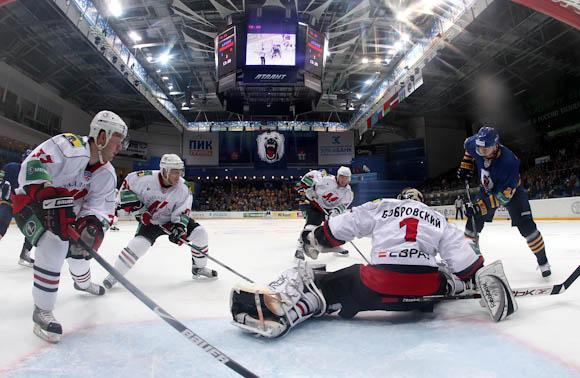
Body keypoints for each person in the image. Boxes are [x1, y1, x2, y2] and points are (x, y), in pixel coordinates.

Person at [230, 188, 518, 338]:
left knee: (319, 282)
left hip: (377, 286)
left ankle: (291, 310)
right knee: (444, 273)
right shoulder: (438, 217)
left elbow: (342, 227)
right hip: (424, 292)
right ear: (422, 201)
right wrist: (475, 277)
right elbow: (466, 262)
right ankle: (455, 288)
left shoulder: (385, 205)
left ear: (401, 198)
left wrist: (316, 237)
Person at [11, 110, 128, 343]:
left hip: (65, 213)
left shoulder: (107, 174)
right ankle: (42, 310)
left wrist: (91, 226)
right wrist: (45, 193)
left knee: (79, 249)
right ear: (102, 136)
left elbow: (99, 208)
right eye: (117, 142)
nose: (119, 148)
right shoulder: (68, 146)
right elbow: (33, 165)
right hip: (30, 203)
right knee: (53, 243)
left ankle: (82, 283)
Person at [102, 154, 217, 290]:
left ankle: (198, 268)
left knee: (200, 233)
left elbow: (182, 211)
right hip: (150, 221)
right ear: (163, 171)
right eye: (174, 172)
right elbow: (126, 188)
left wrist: (179, 229)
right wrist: (139, 210)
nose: (177, 176)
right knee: (138, 245)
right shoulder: (143, 178)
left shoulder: (184, 188)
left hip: (169, 221)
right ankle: (115, 274)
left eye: (179, 172)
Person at [457, 123, 551, 277]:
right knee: (471, 225)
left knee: (528, 229)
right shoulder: (477, 144)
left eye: (485, 149)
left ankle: (543, 261)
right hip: (486, 190)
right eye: (479, 148)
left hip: (511, 193)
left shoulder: (509, 162)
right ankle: (471, 265)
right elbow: (468, 147)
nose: (480, 152)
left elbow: (503, 197)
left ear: (495, 146)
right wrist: (466, 165)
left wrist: (481, 207)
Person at [294, 166, 353, 260]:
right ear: (337, 176)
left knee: (334, 232)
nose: (343, 179)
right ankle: (299, 249)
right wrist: (309, 189)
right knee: (310, 228)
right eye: (341, 176)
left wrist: (334, 212)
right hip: (316, 206)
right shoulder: (326, 178)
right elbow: (306, 179)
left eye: (346, 177)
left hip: (329, 211)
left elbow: (342, 206)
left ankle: (334, 247)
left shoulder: (348, 193)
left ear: (349, 179)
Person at [0, 149, 35, 266]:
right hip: (10, 202)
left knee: (33, 229)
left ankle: (25, 254)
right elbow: (2, 179)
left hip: (23, 206)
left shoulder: (33, 174)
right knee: (2, 224)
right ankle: (25, 254)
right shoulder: (12, 167)